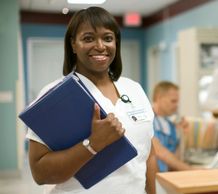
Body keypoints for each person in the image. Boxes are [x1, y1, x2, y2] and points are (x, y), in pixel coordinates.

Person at [25, 7, 156, 194]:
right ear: (73, 45)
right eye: (88, 38)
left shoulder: (134, 89)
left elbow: (149, 155)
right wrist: (93, 144)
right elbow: (40, 174)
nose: (101, 46)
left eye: (108, 38)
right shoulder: (55, 95)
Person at [151, 81, 196, 172]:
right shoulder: (146, 121)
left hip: (168, 176)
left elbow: (175, 161)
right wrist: (191, 170)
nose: (176, 105)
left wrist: (182, 134)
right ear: (158, 98)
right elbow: (160, 152)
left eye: (177, 102)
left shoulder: (171, 125)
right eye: (173, 101)